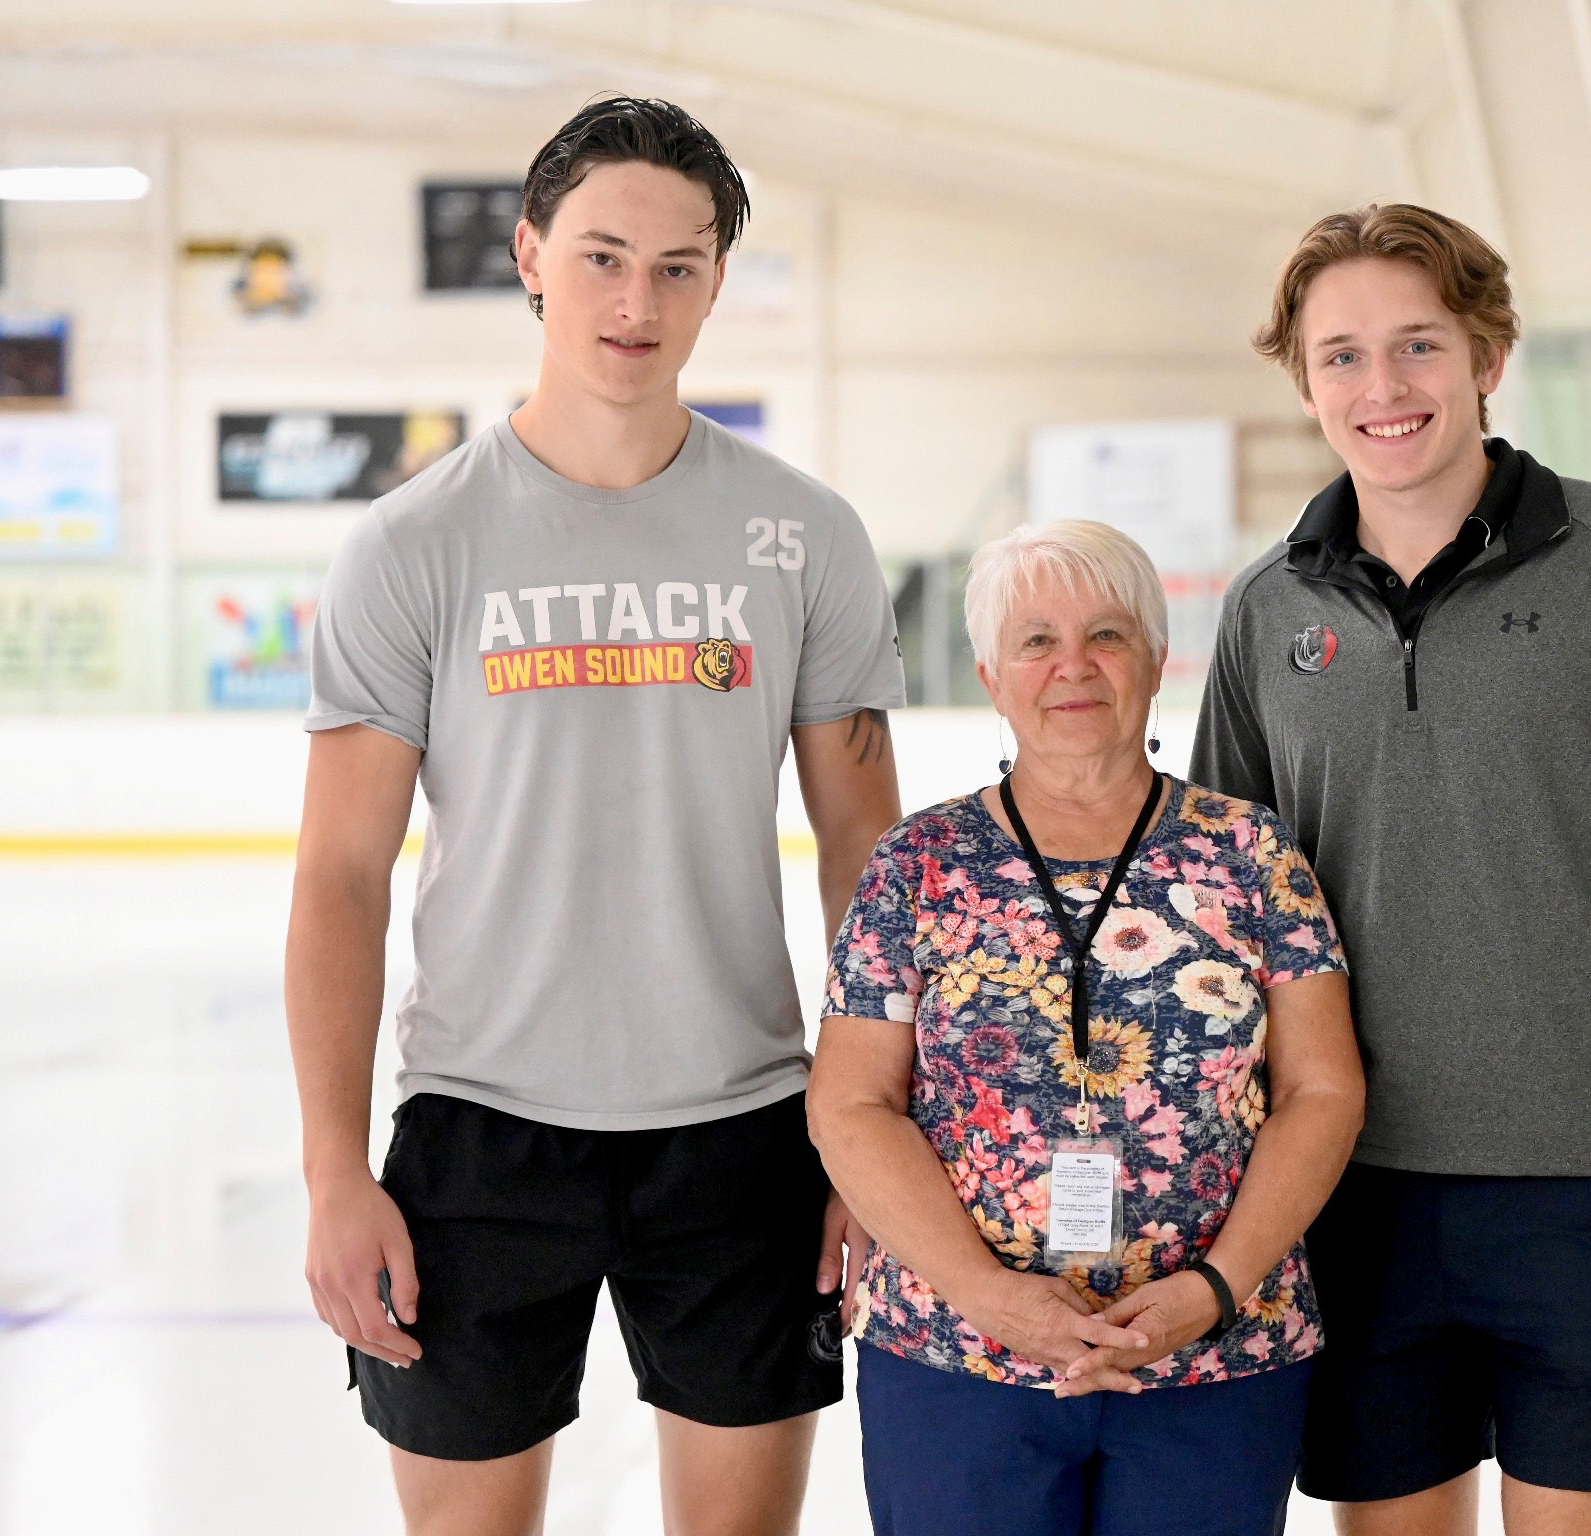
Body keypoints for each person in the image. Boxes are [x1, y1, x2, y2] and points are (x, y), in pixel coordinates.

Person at [286, 97, 904, 1536]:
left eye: (680, 265)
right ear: (529, 255)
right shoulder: (415, 543)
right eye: (605, 256)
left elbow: (866, 857)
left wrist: (878, 1138)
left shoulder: (801, 534)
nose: (640, 300)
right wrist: (332, 1173)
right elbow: (340, 876)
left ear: (717, 283)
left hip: (748, 1130)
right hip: (481, 1134)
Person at [1193, 204, 1591, 1536]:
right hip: (1351, 1189)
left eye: (1418, 346)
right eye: (1340, 356)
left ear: (1488, 355)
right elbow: (1225, 925)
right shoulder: (1268, 609)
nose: (1381, 388)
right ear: (1302, 379)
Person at [808, 519, 1366, 1536]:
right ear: (990, 671)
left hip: (1214, 1358)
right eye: (1036, 640)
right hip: (958, 1357)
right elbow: (850, 1104)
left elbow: (1323, 1090)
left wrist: (1214, 1288)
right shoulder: (918, 865)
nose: (1074, 666)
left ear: (1158, 660)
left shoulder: (1251, 856)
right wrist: (989, 1295)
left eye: (1108, 635)